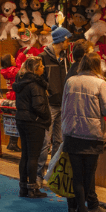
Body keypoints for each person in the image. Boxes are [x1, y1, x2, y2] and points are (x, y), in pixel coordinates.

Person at [61, 53, 106, 212]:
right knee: (89, 174)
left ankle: (80, 210)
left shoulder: (70, 81)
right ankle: (85, 211)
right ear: (97, 66)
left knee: (77, 175)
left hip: (72, 132)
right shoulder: (101, 83)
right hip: (91, 134)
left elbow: (64, 106)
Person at [37, 25, 73, 183]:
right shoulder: (43, 58)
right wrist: (48, 93)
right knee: (45, 141)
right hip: (50, 104)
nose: (68, 43)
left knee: (59, 141)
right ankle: (38, 174)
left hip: (63, 104)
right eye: (67, 40)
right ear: (61, 40)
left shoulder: (66, 58)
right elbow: (39, 79)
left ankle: (53, 175)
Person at [13, 57, 51, 198]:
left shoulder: (21, 81)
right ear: (35, 68)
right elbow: (38, 106)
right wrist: (47, 118)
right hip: (34, 122)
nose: (43, 68)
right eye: (41, 66)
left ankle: (23, 187)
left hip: (21, 120)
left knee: (25, 155)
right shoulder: (36, 84)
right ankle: (32, 188)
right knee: (33, 156)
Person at [0, 52, 27, 152]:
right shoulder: (13, 70)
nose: (14, 59)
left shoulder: (5, 71)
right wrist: (19, 59)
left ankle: (12, 142)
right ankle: (13, 142)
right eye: (12, 58)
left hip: (9, 95)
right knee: (16, 120)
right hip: (15, 96)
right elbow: (21, 72)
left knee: (12, 120)